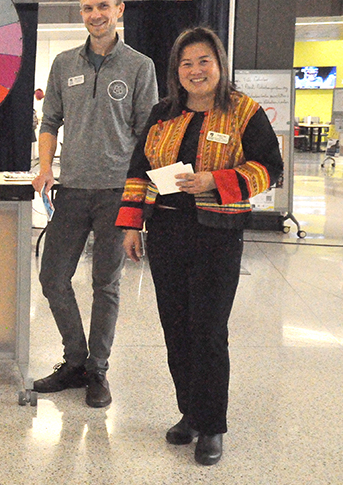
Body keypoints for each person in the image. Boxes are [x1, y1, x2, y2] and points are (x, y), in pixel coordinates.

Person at [116, 26, 283, 465]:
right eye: (186, 63)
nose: (195, 70)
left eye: (203, 61)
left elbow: (270, 166)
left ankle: (212, 426)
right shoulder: (162, 113)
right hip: (167, 234)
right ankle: (189, 413)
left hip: (217, 235)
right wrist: (132, 226)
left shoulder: (243, 111)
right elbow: (138, 171)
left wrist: (216, 180)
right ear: (177, 70)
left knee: (208, 332)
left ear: (219, 64)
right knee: (176, 329)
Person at [31, 0, 158, 408]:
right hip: (71, 190)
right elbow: (49, 122)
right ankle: (75, 360)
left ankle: (97, 371)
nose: (95, 15)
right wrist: (46, 168)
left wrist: (141, 202)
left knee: (106, 284)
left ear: (119, 10)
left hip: (117, 193)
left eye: (103, 6)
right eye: (87, 8)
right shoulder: (65, 64)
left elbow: (147, 138)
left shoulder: (140, 66)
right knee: (52, 278)